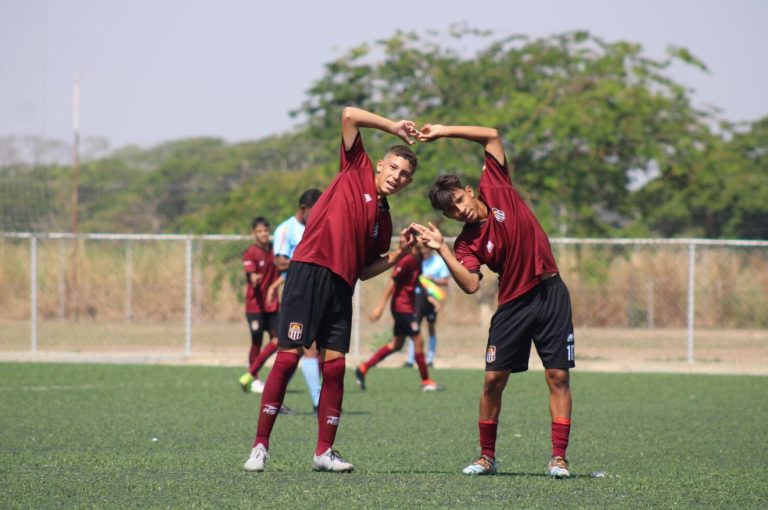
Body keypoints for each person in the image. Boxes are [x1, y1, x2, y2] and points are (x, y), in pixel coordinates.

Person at [243, 106, 420, 473]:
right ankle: (260, 447)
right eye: (394, 168)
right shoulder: (354, 169)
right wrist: (392, 126)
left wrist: (400, 254)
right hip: (309, 273)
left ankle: (324, 452)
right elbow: (349, 115)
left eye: (405, 175)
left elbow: (366, 269)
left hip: (342, 286)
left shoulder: (384, 222)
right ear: (380, 166)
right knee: (289, 357)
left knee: (335, 368)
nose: (397, 177)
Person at [410, 122, 575, 479]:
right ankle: (487, 457)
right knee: (492, 381)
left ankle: (558, 458)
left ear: (469, 191)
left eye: (459, 200)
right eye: (452, 212)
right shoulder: (466, 243)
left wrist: (441, 131)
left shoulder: (496, 186)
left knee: (558, 375)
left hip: (551, 294)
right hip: (513, 305)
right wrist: (441, 249)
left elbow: (491, 135)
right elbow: (470, 284)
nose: (460, 210)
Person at [354, 245, 442, 392]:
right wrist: (380, 306)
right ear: (415, 243)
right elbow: (392, 281)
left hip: (407, 306)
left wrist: (430, 297)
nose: (427, 248)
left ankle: (363, 368)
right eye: (425, 245)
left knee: (396, 344)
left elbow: (417, 281)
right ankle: (426, 381)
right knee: (418, 340)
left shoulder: (418, 258)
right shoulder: (406, 259)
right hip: (402, 307)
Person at [269, 188, 323, 414]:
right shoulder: (286, 229)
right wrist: (308, 264)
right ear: (304, 208)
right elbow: (280, 263)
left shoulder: (318, 227)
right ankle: (319, 403)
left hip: (317, 292)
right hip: (296, 294)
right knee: (306, 348)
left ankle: (274, 398)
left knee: (301, 350)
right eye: (316, 210)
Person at [238, 217, 281, 395]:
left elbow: (284, 273)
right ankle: (254, 379)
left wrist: (274, 285)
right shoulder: (250, 253)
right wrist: (254, 278)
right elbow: (251, 273)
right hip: (255, 306)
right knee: (256, 341)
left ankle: (250, 374)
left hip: (273, 305)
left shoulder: (275, 251)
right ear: (253, 233)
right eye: (260, 231)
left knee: (278, 341)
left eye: (266, 230)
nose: (264, 234)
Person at [404, 245, 450, 368]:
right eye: (421, 248)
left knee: (431, 327)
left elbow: (445, 281)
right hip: (417, 299)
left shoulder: (439, 262)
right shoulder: (415, 260)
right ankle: (410, 360)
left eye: (426, 247)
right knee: (414, 328)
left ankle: (430, 359)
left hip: (432, 300)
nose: (424, 250)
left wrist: (433, 279)